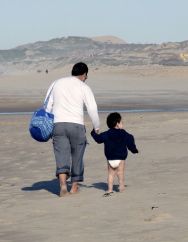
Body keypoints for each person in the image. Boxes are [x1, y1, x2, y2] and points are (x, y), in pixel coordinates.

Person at [45, 62, 100, 197]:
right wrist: (96, 126)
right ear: (84, 75)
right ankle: (74, 187)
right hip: (76, 125)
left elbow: (47, 105)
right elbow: (92, 108)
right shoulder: (84, 87)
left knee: (61, 155)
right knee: (77, 155)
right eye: (86, 76)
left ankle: (63, 186)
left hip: (58, 124)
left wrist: (47, 123)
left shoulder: (56, 83)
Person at [91, 112, 138, 196]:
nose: (122, 123)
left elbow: (98, 139)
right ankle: (121, 186)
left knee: (111, 174)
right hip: (121, 158)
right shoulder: (123, 133)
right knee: (120, 173)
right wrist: (134, 150)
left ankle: (109, 189)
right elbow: (130, 139)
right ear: (117, 124)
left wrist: (93, 133)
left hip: (110, 158)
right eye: (121, 122)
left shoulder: (107, 134)